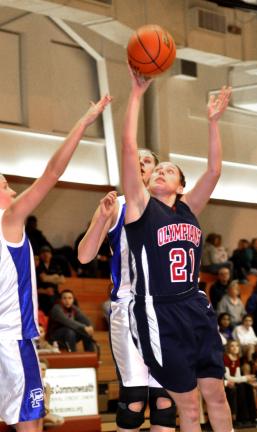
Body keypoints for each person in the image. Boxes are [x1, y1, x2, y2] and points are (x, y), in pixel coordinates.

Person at [121, 66, 232, 432]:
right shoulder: (140, 206)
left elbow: (214, 170)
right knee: (187, 406)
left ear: (181, 186)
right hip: (158, 311)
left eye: (169, 171)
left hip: (194, 306)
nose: (159, 173)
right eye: (156, 170)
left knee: (216, 394)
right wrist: (136, 96)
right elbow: (128, 150)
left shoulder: (188, 208)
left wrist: (213, 122)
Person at [0, 94, 111, 432]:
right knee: (30, 422)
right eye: (5, 186)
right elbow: (52, 172)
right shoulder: (8, 220)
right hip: (12, 338)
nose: (14, 191)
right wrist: (85, 122)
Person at [78, 150, 177, 432]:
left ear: (157, 172)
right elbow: (84, 257)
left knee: (165, 401)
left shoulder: (173, 210)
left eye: (148, 161)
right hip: (129, 306)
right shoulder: (117, 205)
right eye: (137, 159)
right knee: (133, 400)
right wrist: (101, 219)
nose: (141, 164)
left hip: (167, 311)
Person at [223, 340, 257, 426]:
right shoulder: (225, 357)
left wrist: (247, 380)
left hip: (233, 382)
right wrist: (246, 378)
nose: (235, 348)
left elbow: (237, 377)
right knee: (240, 387)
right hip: (224, 384)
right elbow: (228, 377)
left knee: (247, 386)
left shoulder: (237, 358)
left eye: (237, 346)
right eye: (232, 346)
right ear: (228, 348)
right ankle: (240, 418)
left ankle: (251, 417)